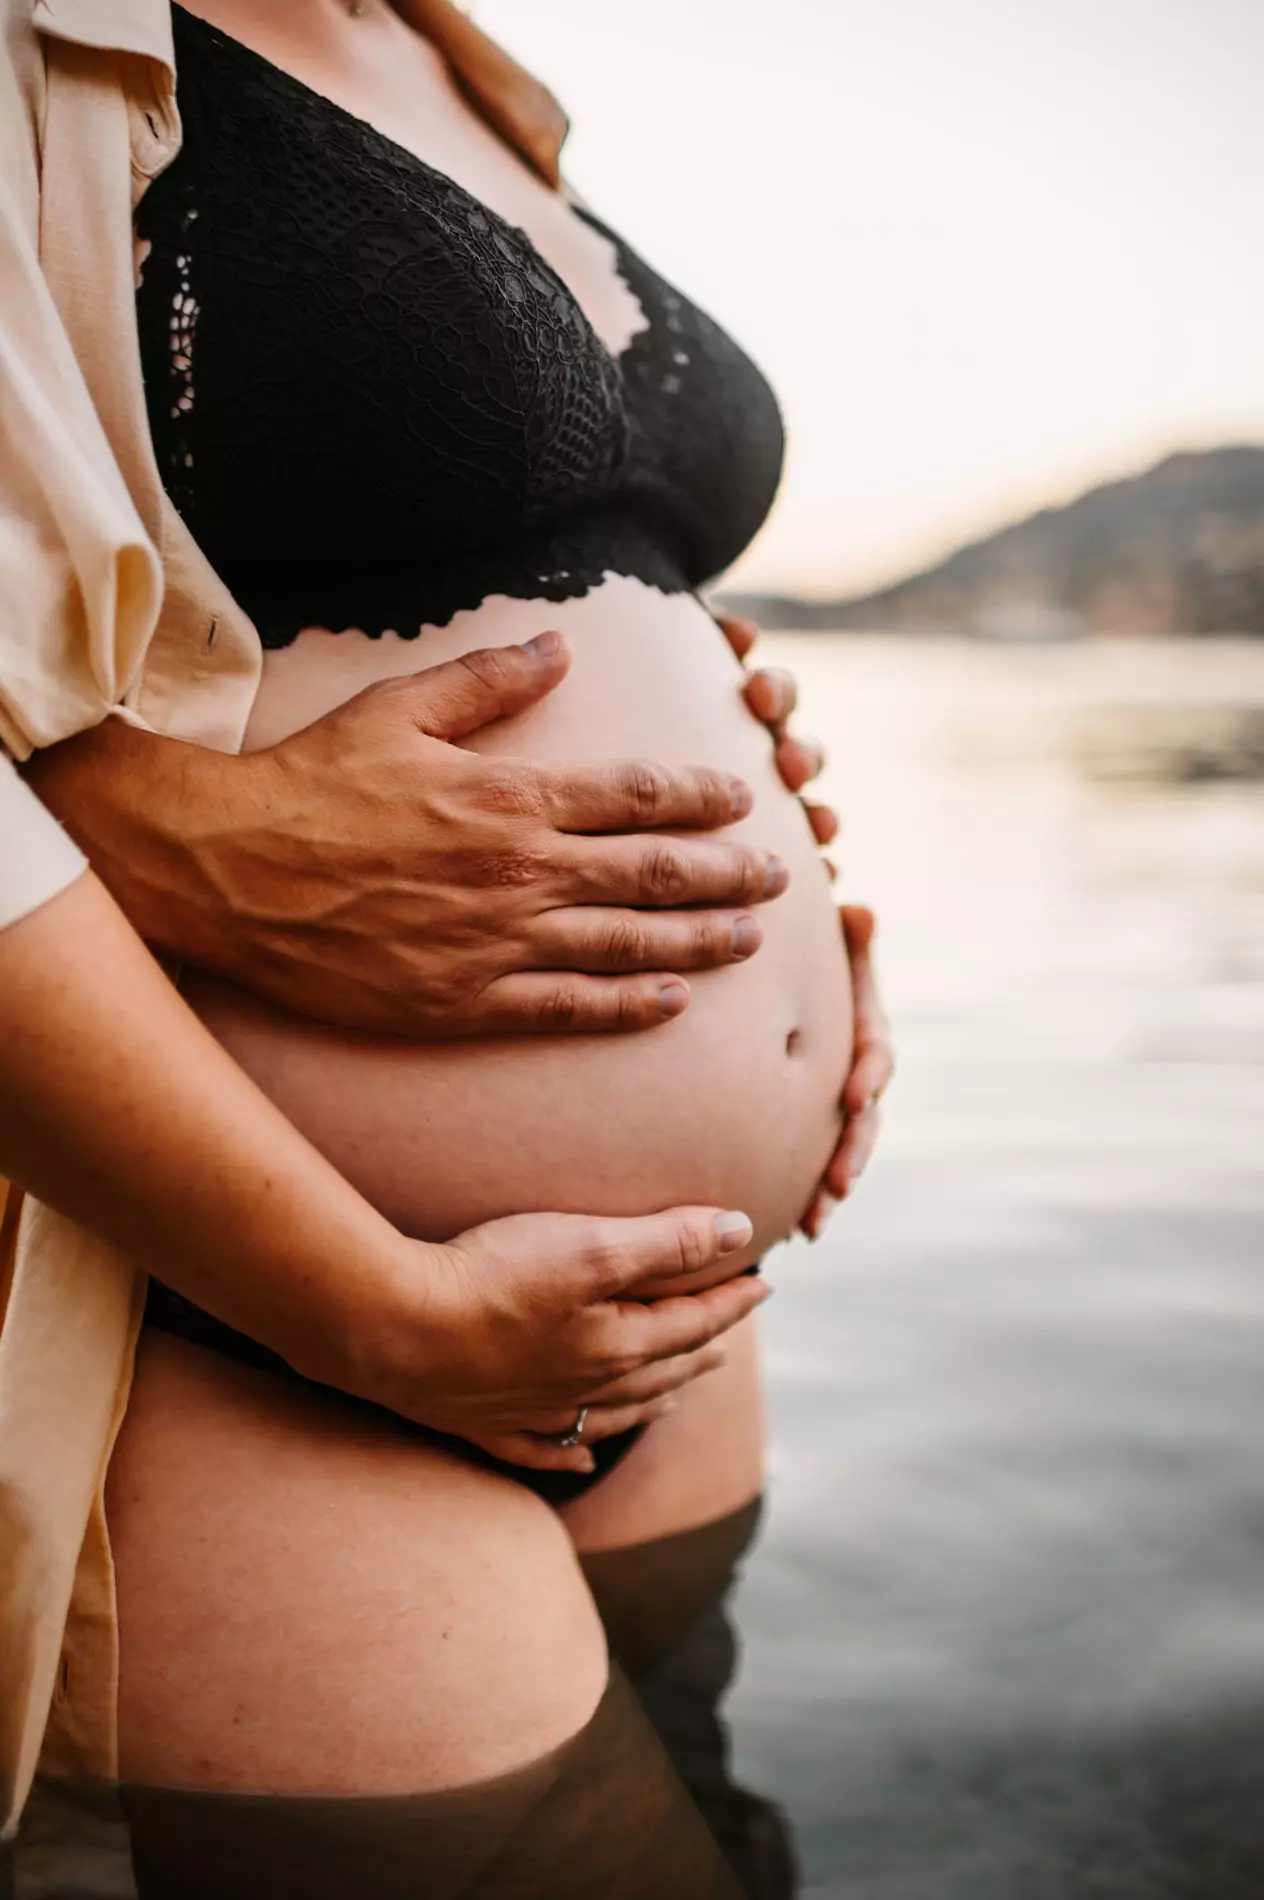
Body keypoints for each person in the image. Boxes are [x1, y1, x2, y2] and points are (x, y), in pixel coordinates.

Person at [0, 0, 893, 1892]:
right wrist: (365, 1304)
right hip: (235, 1300)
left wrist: (784, 906)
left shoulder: (471, 68)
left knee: (717, 1829)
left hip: (664, 1333)